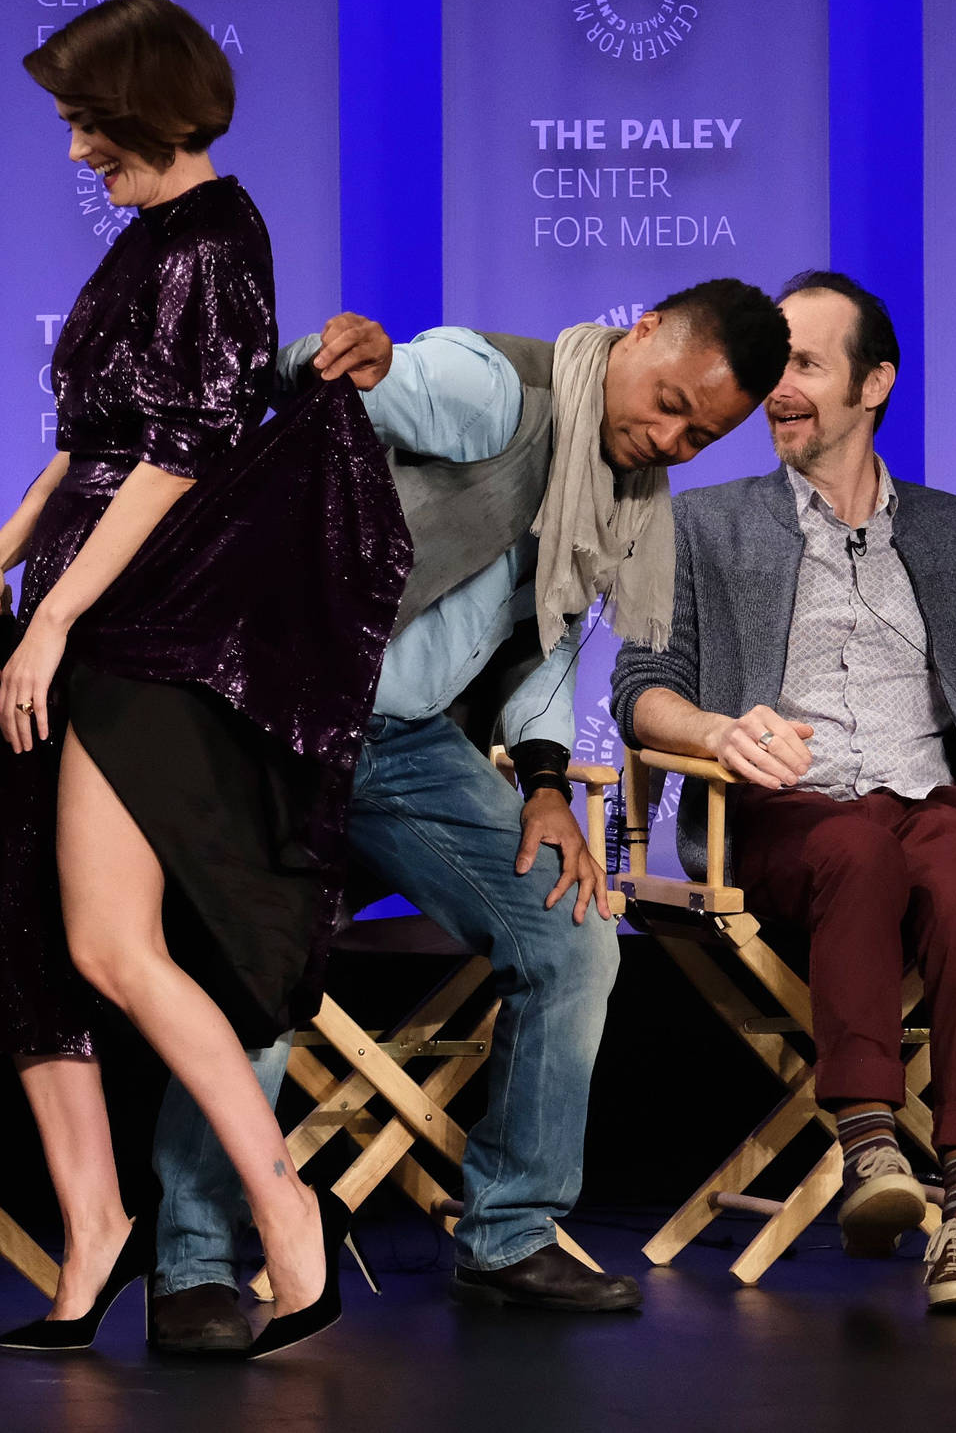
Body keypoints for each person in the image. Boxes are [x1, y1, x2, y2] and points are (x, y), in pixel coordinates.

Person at [144, 283, 793, 1352]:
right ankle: (198, 1261)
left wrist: (546, 780)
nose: (668, 437)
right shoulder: (501, 394)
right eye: (669, 399)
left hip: (400, 742)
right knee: (256, 963)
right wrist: (337, 350)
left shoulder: (620, 497)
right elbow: (348, 376)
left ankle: (507, 1231)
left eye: (700, 433)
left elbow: (545, 645)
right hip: (281, 720)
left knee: (572, 931)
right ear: (638, 334)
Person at [0, 0, 412, 1360]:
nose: (78, 147)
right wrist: (11, 539)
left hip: (144, 620)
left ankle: (284, 1208)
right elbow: (97, 436)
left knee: (109, 944)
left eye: (92, 120)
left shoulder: (217, 235)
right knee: (27, 935)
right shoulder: (152, 238)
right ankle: (93, 1240)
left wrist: (57, 622)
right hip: (86, 597)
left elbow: (182, 452)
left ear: (151, 110)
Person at [610, 270, 956, 1313]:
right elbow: (642, 687)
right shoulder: (705, 526)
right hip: (783, 812)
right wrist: (719, 729)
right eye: (771, 366)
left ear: (874, 383)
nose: (776, 389)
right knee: (855, 851)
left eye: (805, 366)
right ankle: (872, 1147)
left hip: (932, 798)